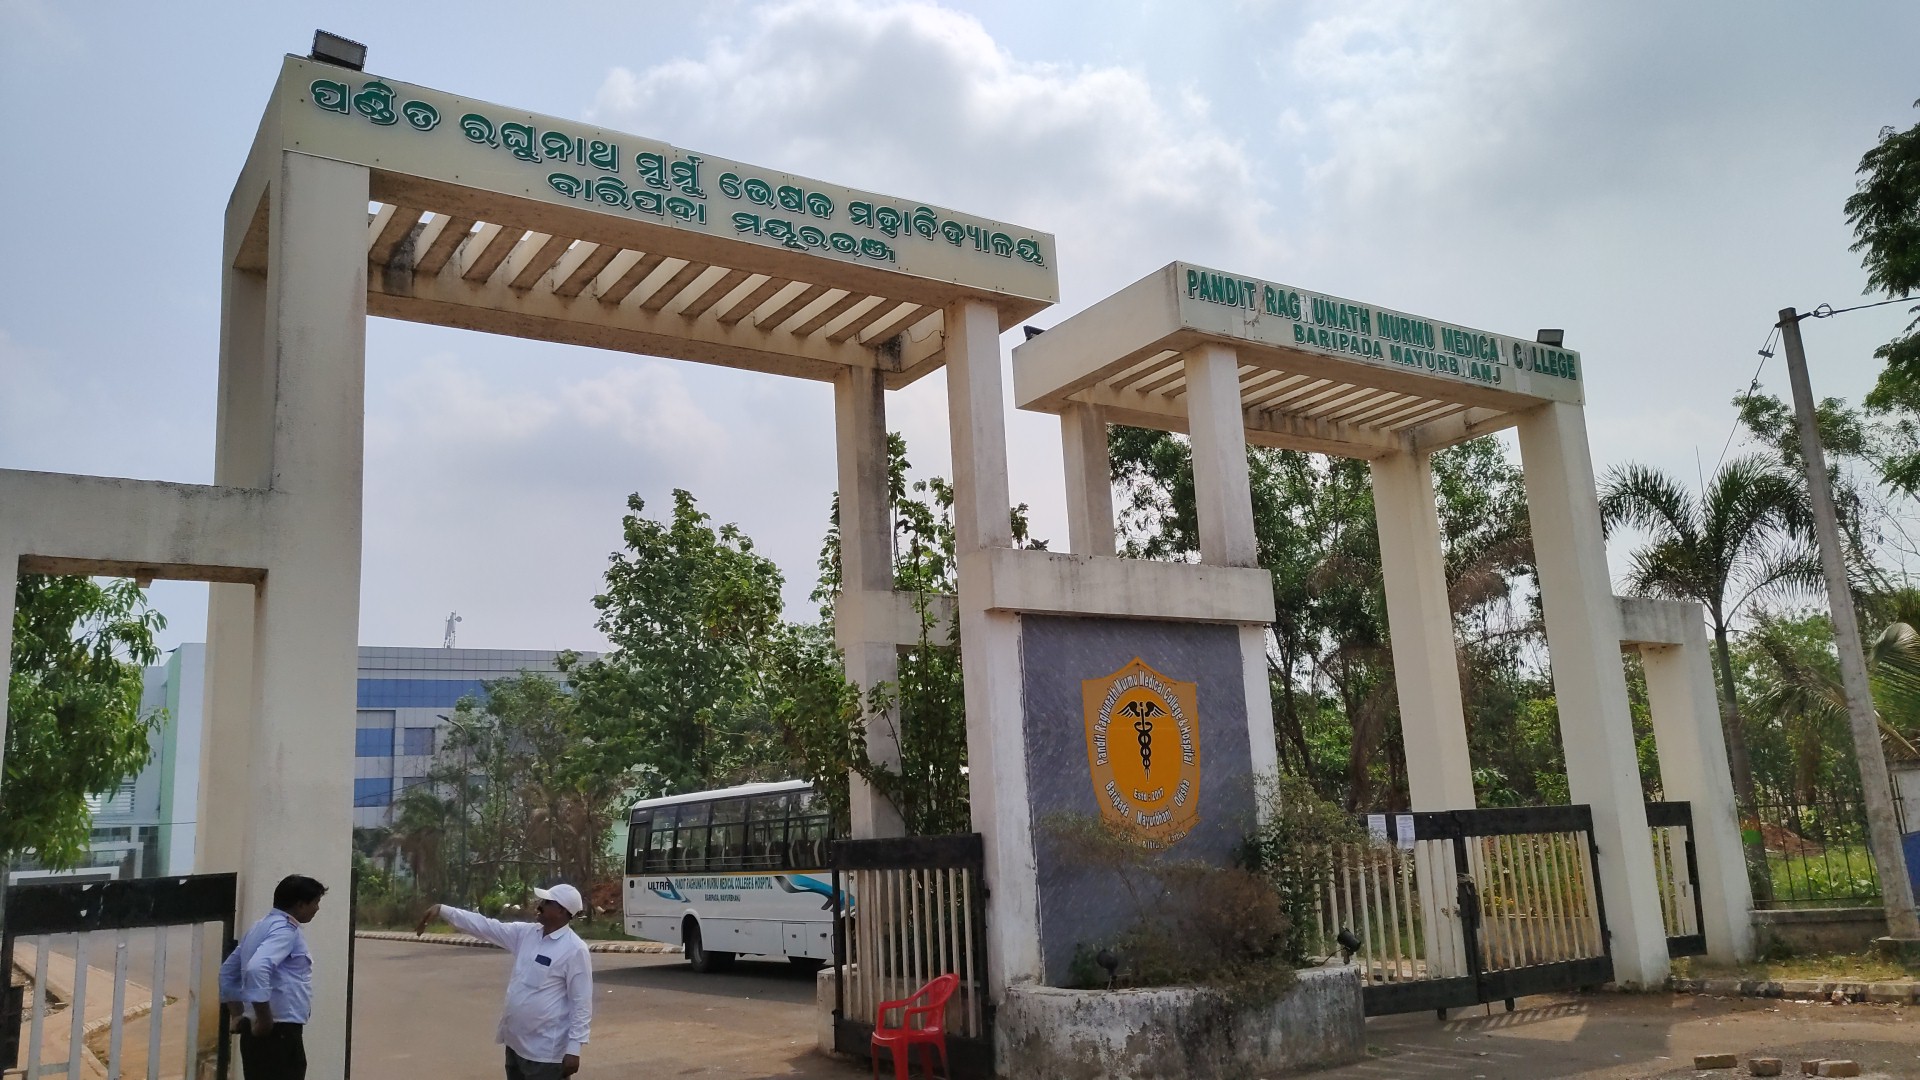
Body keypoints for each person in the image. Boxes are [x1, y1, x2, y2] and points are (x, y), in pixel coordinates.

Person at [416, 884, 593, 1079]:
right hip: (515, 1047)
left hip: (545, 1055)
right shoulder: (525, 934)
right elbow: (485, 926)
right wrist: (444, 910)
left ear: (561, 911)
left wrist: (574, 1049)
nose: (539, 905)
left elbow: (581, 1003)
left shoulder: (575, 949)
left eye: (547, 902)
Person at [219, 874, 326, 1080]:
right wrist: (265, 1019)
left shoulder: (259, 927)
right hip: (279, 1033)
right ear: (300, 904)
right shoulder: (286, 931)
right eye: (315, 902)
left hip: (257, 1034)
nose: (317, 909)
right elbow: (257, 968)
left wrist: (237, 1015)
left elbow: (227, 972)